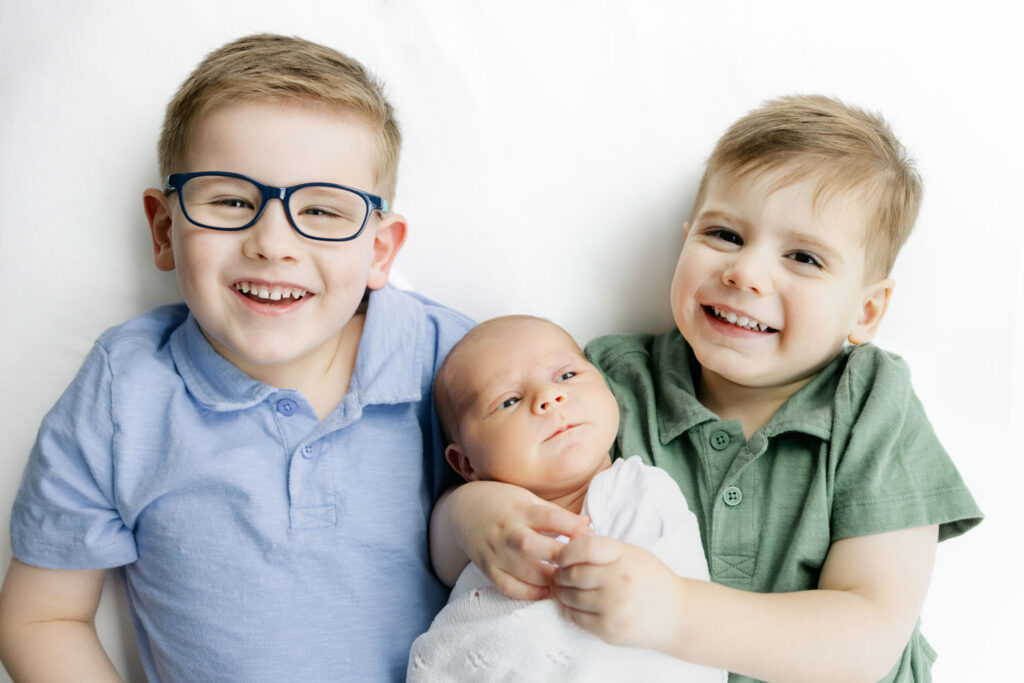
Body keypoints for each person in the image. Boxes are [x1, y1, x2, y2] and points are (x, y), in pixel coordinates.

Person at [431, 95, 983, 682]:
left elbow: (868, 636)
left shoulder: (872, 404)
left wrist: (675, 613)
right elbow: (455, 544)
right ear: (686, 239)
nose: (745, 273)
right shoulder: (610, 381)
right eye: (725, 235)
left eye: (802, 257)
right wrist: (471, 514)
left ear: (866, 311)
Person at [0, 34, 472, 682]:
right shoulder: (125, 392)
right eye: (231, 201)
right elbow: (41, 617)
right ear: (166, 230)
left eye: (322, 210)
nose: (273, 242)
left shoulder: (450, 360)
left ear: (380, 251)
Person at [407, 315, 725, 682]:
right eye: (508, 401)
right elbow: (444, 559)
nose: (549, 397)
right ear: (465, 463)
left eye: (567, 376)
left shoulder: (643, 489)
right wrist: (468, 508)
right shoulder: (484, 523)